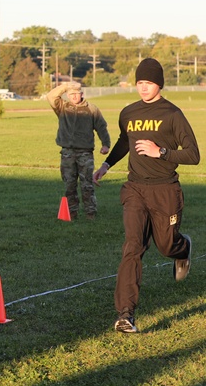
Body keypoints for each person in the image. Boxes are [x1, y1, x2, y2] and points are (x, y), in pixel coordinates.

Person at [93, 57, 199, 333]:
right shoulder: (128, 113)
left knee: (166, 246)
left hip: (165, 190)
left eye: (148, 83)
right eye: (139, 82)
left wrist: (160, 152)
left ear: (159, 84)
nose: (143, 88)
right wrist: (106, 165)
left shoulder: (173, 114)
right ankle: (125, 314)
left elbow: (193, 154)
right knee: (133, 246)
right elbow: (123, 142)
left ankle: (183, 248)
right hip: (135, 189)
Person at [46, 81, 112, 219]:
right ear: (67, 95)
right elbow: (51, 97)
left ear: (82, 94)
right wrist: (65, 86)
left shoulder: (91, 109)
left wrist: (105, 144)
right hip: (67, 153)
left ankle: (90, 213)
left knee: (87, 184)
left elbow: (101, 126)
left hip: (85, 153)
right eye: (71, 94)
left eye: (77, 93)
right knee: (69, 185)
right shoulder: (63, 107)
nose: (74, 96)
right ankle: (71, 212)